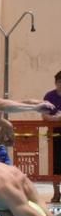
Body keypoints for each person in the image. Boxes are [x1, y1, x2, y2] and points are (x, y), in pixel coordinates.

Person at [43, 70, 61, 202]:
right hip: (54, 134)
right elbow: (44, 115)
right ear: (56, 83)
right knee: (55, 164)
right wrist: (56, 119)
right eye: (59, 82)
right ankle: (56, 193)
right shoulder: (49, 96)